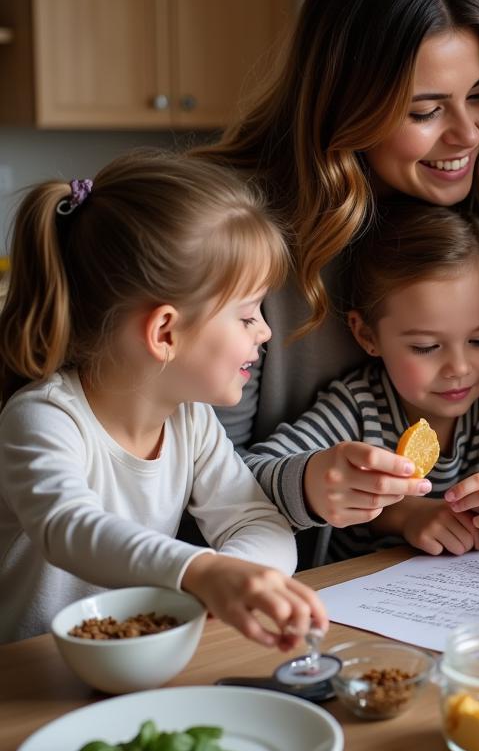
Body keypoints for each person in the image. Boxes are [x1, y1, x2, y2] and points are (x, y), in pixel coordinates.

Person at [194, 0, 479, 565]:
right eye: (424, 110)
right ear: (346, 106)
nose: (469, 133)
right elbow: (199, 478)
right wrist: (330, 491)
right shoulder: (236, 227)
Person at [0, 151, 327, 645]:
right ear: (165, 332)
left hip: (129, 662)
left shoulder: (189, 421)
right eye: (246, 315)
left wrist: (234, 576)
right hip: (27, 681)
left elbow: (256, 518)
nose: (264, 331)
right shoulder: (43, 418)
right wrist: (201, 570)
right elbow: (69, 527)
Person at [243, 200, 479, 559]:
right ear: (368, 335)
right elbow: (249, 480)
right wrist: (401, 514)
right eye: (427, 346)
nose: (459, 367)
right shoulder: (358, 406)